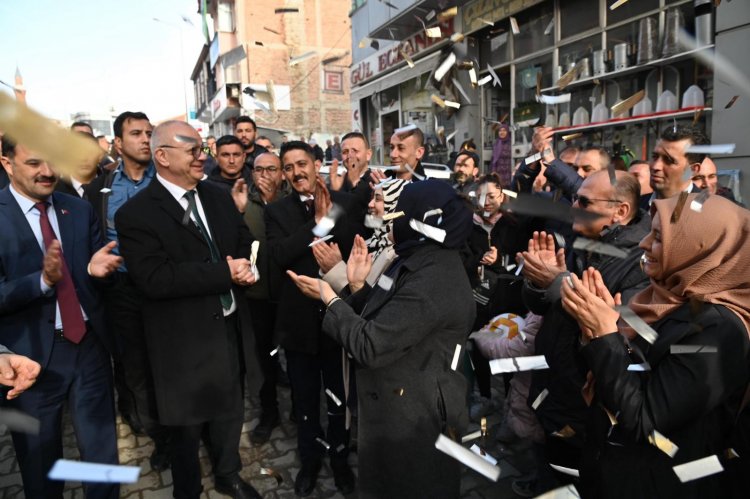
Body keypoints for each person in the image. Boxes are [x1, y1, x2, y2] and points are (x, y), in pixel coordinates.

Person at [288, 179, 476, 499]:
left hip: (418, 417)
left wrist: (329, 298)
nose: (389, 216)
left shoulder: (434, 277)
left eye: (401, 211)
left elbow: (371, 345)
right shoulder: (415, 256)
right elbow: (391, 319)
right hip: (398, 402)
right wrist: (359, 288)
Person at [560, 193, 750, 498]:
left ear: (702, 249)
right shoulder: (662, 297)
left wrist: (605, 335)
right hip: (616, 469)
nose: (644, 243)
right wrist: (597, 329)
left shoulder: (719, 328)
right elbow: (629, 369)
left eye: (659, 236)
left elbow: (647, 422)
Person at [115, 120, 263, 499]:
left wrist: (248, 266)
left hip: (228, 326)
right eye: (193, 150)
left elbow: (242, 240)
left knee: (230, 410)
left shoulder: (216, 195)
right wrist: (223, 273)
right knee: (186, 427)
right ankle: (188, 487)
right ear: (161, 156)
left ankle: (228, 474)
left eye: (203, 149)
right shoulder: (136, 214)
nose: (204, 157)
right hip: (181, 342)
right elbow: (155, 279)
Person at [0, 137, 123, 498]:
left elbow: (90, 277)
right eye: (35, 162)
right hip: (28, 358)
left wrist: (95, 271)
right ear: (6, 163)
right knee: (41, 465)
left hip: (88, 348)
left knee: (102, 457)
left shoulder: (77, 209)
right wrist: (39, 282)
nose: (49, 172)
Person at [516, 170, 650, 495]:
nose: (574, 206)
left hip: (588, 402)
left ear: (620, 211)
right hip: (556, 388)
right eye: (575, 198)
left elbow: (617, 330)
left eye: (585, 201)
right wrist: (537, 282)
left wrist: (558, 282)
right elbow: (542, 306)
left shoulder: (639, 264)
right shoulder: (584, 242)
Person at [264, 141, 364, 496]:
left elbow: (355, 247)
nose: (296, 172)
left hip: (338, 320)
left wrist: (330, 221)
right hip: (298, 323)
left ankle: (339, 461)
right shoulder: (276, 211)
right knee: (305, 400)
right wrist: (317, 226)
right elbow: (278, 254)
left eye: (301, 163)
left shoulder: (344, 203)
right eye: (288, 167)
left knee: (338, 398)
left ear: (317, 164)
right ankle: (309, 461)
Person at [83, 111, 170, 470]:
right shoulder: (98, 190)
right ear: (118, 143)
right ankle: (160, 439)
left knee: (169, 365)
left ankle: (184, 430)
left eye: (149, 132)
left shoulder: (167, 182)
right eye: (136, 133)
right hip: (122, 292)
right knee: (136, 369)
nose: (145, 139)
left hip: (165, 289)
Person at [233, 151, 290, 445]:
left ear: (281, 172)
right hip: (257, 296)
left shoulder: (292, 199)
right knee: (264, 358)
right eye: (259, 170)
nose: (265, 175)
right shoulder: (245, 202)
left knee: (294, 355)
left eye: (271, 169)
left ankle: (301, 411)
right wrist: (237, 211)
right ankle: (270, 411)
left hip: (291, 295)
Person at [649, 125, 707, 203]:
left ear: (693, 170)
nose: (656, 166)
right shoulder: (636, 205)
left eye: (669, 160)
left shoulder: (708, 210)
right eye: (655, 157)